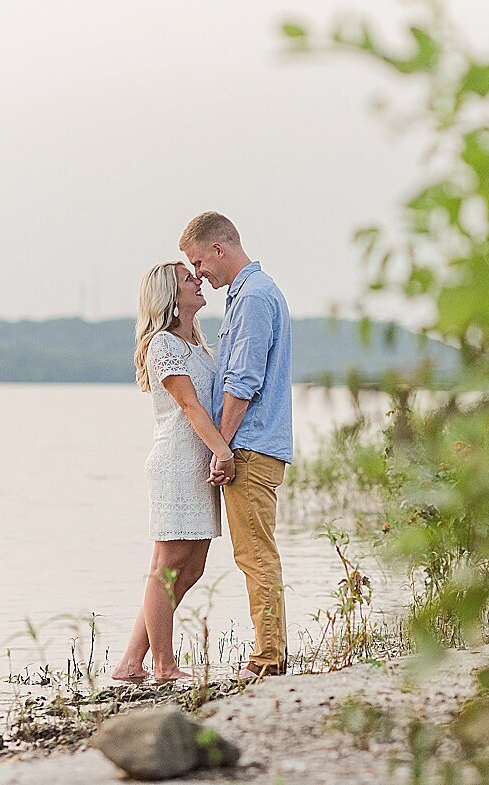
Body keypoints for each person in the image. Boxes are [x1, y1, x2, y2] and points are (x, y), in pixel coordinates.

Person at [180, 211, 293, 678]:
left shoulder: (253, 298)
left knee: (255, 555)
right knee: (256, 553)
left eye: (198, 261)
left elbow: (242, 383)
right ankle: (272, 653)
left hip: (249, 446)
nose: (198, 273)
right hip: (253, 443)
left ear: (218, 248)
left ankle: (268, 660)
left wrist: (222, 448)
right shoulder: (251, 294)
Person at [111, 261, 234, 682]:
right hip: (177, 464)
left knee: (193, 567)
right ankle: (163, 665)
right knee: (166, 565)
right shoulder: (162, 344)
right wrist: (223, 452)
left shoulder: (198, 346)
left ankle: (131, 661)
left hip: (202, 462)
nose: (198, 280)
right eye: (188, 278)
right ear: (170, 295)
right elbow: (189, 405)